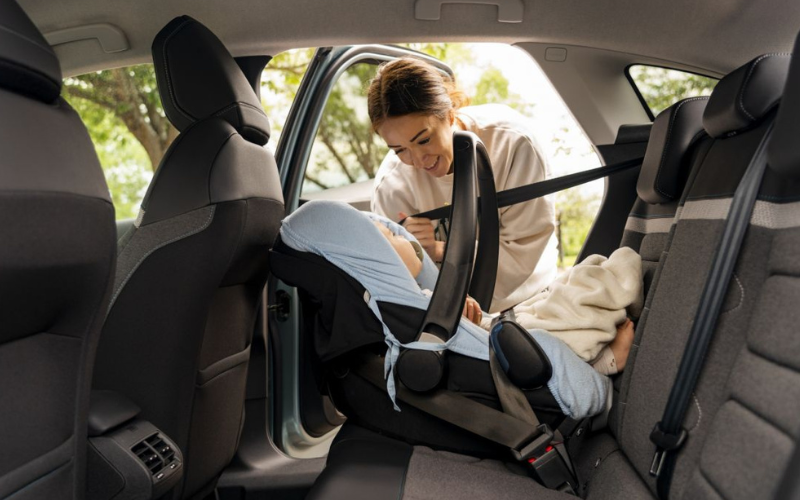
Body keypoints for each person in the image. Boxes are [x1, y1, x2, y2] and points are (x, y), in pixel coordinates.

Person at [368, 57, 559, 314]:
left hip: (532, 300)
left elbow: (523, 255)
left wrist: (437, 251)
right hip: (446, 313)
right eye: (400, 149)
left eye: (424, 140)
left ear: (449, 115)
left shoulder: (512, 143)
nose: (418, 160)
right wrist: (414, 254)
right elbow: (398, 283)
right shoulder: (392, 186)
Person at [372, 215, 634, 376]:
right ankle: (598, 364)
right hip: (493, 349)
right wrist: (466, 326)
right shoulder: (404, 306)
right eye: (393, 237)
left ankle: (601, 286)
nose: (403, 236)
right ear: (381, 262)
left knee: (562, 289)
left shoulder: (418, 292)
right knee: (545, 329)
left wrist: (468, 316)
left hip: (495, 327)